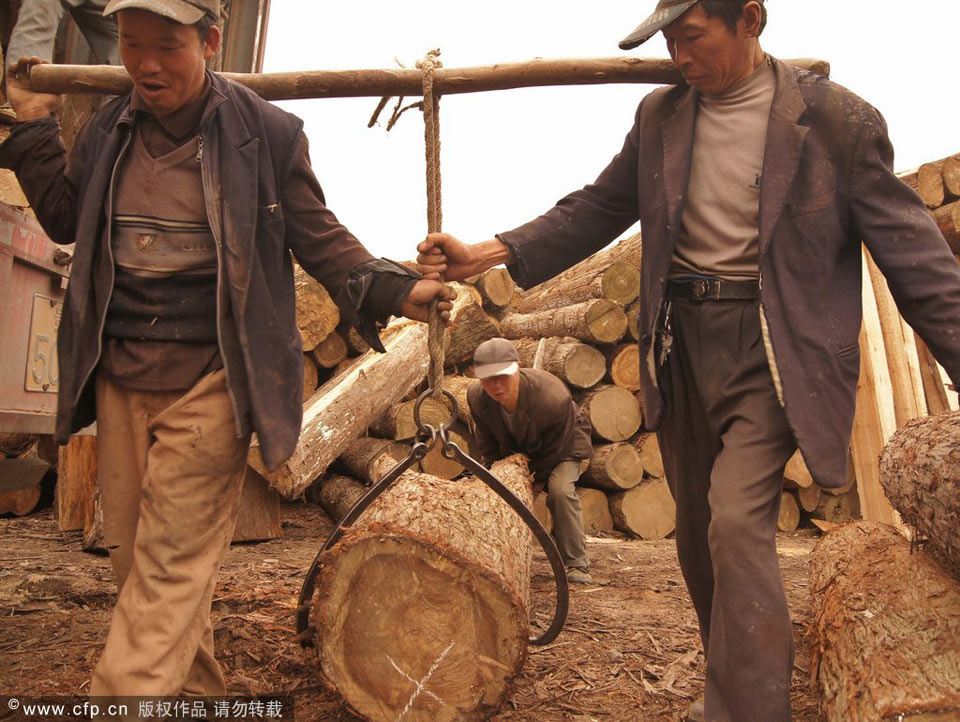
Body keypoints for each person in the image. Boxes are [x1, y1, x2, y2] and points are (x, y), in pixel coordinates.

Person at [415, 1, 960, 720]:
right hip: (679, 345)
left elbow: (915, 258)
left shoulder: (838, 123)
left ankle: (747, 711)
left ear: (751, 20)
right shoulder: (660, 118)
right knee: (702, 540)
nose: (679, 54)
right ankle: (733, 681)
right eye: (668, 40)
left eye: (693, 36)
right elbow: (595, 208)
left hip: (772, 346)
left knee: (736, 526)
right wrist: (486, 252)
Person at [0, 0, 452, 701]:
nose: (147, 65)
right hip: (119, 372)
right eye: (131, 44)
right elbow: (64, 217)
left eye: (167, 47)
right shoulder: (109, 127)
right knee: (135, 563)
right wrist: (30, 123)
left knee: (169, 567)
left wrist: (398, 292)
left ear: (210, 40)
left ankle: (119, 702)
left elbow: (320, 237)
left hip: (212, 379)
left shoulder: (265, 135)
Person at [467, 337, 595, 584]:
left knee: (559, 491)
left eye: (502, 376)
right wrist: (496, 473)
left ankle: (576, 564)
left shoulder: (551, 396)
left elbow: (555, 449)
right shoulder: (476, 397)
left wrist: (535, 481)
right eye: (487, 378)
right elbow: (487, 442)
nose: (495, 386)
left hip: (564, 444)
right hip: (520, 447)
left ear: (518, 366)